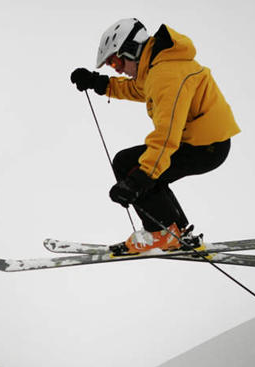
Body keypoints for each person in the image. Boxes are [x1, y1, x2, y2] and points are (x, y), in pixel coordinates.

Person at [70, 18, 240, 254]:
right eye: (111, 65)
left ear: (132, 49)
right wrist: (100, 83)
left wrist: (139, 179)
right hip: (206, 142)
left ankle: (161, 234)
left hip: (205, 147)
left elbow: (166, 134)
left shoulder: (166, 75)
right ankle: (174, 232)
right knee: (138, 167)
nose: (117, 69)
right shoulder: (158, 66)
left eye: (116, 61)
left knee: (133, 167)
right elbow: (137, 88)